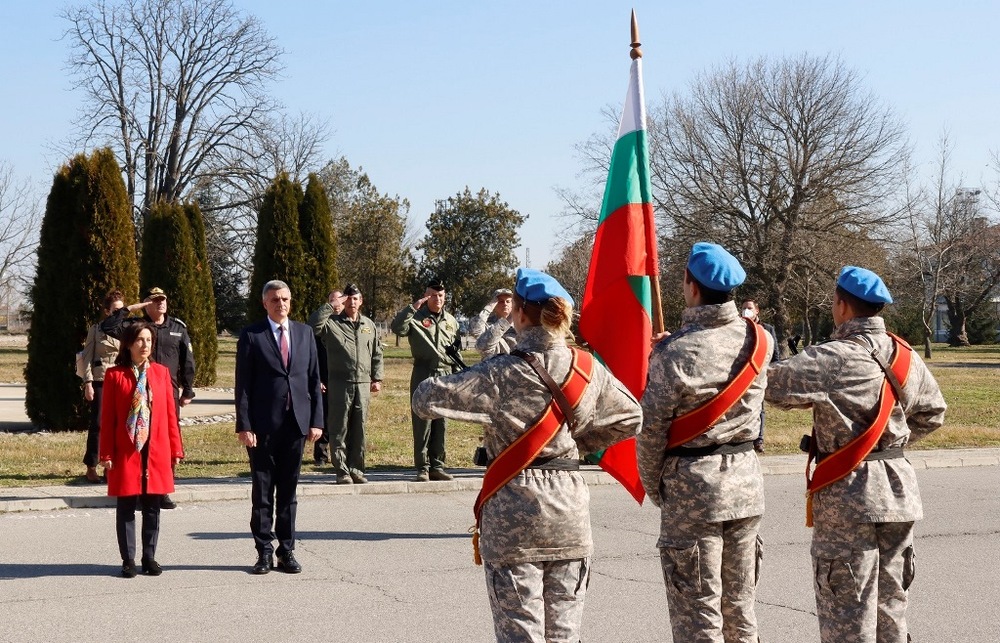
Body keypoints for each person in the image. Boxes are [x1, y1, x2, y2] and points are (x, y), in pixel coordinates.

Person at [412, 268, 642, 642]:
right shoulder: (586, 367)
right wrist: (576, 443)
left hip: (514, 516)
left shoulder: (500, 373)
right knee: (565, 636)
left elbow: (425, 398)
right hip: (568, 509)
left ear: (518, 313)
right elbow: (633, 416)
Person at [765, 266, 947, 643]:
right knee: (891, 606)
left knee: (846, 614)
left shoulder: (833, 357)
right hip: (899, 490)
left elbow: (765, 383)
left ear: (843, 307)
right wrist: (890, 448)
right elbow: (933, 413)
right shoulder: (905, 354)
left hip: (850, 497)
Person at [637, 242, 773, 643]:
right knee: (740, 611)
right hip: (747, 484)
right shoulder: (759, 342)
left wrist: (655, 486)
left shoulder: (675, 353)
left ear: (691, 287)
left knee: (698, 616)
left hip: (693, 490)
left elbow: (650, 433)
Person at [235, 280, 324, 575]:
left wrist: (316, 421)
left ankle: (287, 550)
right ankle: (263, 552)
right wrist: (244, 425)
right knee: (262, 493)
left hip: (296, 424)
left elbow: (313, 381)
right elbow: (243, 386)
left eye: (285, 299)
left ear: (291, 301)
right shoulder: (252, 335)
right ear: (265, 303)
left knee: (288, 492)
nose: (280, 304)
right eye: (274, 299)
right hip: (262, 427)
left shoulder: (305, 333)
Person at [99, 322, 184, 578]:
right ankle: (128, 560)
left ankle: (150, 557)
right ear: (128, 344)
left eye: (149, 340)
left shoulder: (160, 373)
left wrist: (175, 449)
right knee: (125, 506)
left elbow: (170, 415)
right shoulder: (115, 376)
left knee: (152, 507)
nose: (145, 345)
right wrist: (106, 454)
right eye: (140, 340)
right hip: (126, 449)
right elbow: (109, 419)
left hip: (155, 447)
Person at [102, 286, 196, 509]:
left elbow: (187, 359)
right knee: (134, 437)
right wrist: (128, 309)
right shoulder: (135, 327)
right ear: (146, 304)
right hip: (135, 390)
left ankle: (160, 489)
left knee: (162, 440)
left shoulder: (177, 327)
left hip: (166, 391)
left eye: (163, 299)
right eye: (154, 300)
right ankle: (134, 486)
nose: (160, 303)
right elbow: (108, 326)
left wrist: (188, 388)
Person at [308, 283, 384, 485]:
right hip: (340, 384)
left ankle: (356, 468)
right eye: (348, 298)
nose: (352, 302)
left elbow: (377, 352)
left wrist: (377, 378)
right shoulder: (332, 323)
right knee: (339, 428)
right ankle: (341, 470)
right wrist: (331, 305)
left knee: (359, 428)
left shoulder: (369, 324)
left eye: (356, 298)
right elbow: (312, 326)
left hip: (363, 384)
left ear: (361, 301)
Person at [391, 278, 460, 482]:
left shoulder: (451, 321)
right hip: (424, 373)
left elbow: (456, 351)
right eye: (432, 295)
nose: (437, 299)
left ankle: (437, 465)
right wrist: (413, 307)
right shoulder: (416, 317)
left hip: (445, 374)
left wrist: (458, 377)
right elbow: (397, 328)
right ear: (426, 296)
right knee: (422, 421)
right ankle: (422, 467)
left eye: (440, 295)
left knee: (441, 421)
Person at [80, 290, 125, 483]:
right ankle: (91, 466)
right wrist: (88, 383)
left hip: (121, 381)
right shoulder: (96, 330)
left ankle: (111, 466)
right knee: (98, 424)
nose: (118, 314)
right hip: (101, 380)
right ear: (107, 311)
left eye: (121, 310)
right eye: (115, 310)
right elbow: (86, 358)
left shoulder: (127, 329)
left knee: (118, 425)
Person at [740, 299, 779, 454]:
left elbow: (775, 354)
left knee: (759, 407)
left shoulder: (767, 329)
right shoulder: (738, 328)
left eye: (749, 308)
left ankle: (759, 440)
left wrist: (773, 373)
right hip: (742, 374)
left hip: (759, 373)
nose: (745, 311)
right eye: (743, 308)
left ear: (757, 311)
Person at [313, 289, 344, 466]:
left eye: (339, 300)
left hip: (343, 379)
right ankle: (321, 456)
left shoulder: (347, 322)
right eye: (332, 301)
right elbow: (313, 356)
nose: (336, 304)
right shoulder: (321, 326)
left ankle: (340, 454)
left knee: (341, 419)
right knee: (324, 417)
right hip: (324, 378)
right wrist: (317, 379)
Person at [470, 287, 517, 358]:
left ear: (512, 304)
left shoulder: (519, 323)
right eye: (501, 301)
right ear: (494, 304)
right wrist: (489, 307)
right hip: (491, 366)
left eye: (508, 301)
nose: (505, 304)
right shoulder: (487, 323)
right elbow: (475, 331)